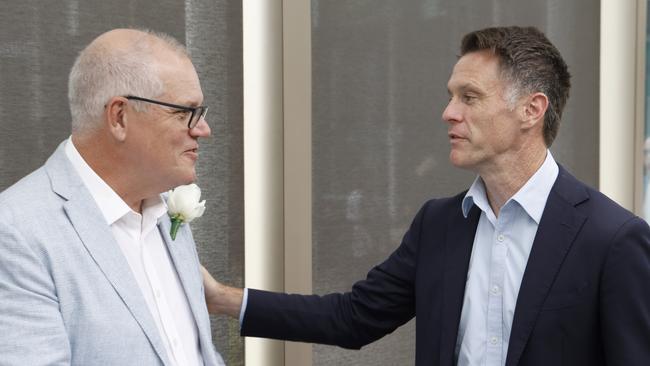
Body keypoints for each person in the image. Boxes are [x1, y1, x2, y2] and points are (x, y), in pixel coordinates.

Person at [202, 26, 650, 366]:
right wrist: (221, 297)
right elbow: (352, 317)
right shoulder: (439, 224)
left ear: (531, 110)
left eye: (469, 97)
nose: (448, 112)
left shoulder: (612, 239)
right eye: (452, 96)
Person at [0, 29, 224, 366]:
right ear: (119, 116)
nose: (203, 129)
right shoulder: (17, 233)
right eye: (184, 113)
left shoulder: (164, 210)